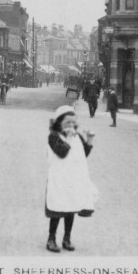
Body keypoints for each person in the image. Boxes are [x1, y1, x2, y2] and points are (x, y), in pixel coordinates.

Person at [44, 105, 97, 253]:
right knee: (57, 208)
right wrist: (67, 137)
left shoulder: (77, 137)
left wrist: (89, 141)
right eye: (67, 122)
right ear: (59, 122)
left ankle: (67, 238)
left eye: (73, 122)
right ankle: (51, 239)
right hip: (59, 179)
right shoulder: (53, 136)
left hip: (73, 178)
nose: (71, 126)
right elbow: (62, 152)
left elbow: (82, 155)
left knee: (70, 208)